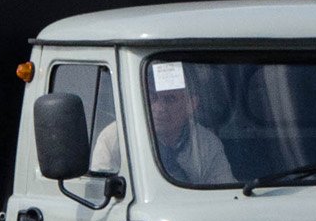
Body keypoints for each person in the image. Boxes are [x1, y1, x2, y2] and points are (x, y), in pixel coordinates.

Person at [90, 77, 233, 184]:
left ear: (191, 104)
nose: (159, 108)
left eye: (170, 99)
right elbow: (101, 193)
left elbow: (223, 193)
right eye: (153, 98)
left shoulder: (206, 143)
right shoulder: (115, 138)